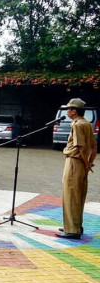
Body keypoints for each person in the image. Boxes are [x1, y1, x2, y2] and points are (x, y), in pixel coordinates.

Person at [56, 98, 97, 240]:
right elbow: (93, 146)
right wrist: (90, 162)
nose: (67, 111)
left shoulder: (77, 125)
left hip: (74, 162)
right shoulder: (87, 124)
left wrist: (86, 163)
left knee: (70, 195)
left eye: (69, 109)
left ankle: (72, 230)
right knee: (79, 195)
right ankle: (76, 225)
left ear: (74, 111)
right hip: (81, 164)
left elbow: (79, 148)